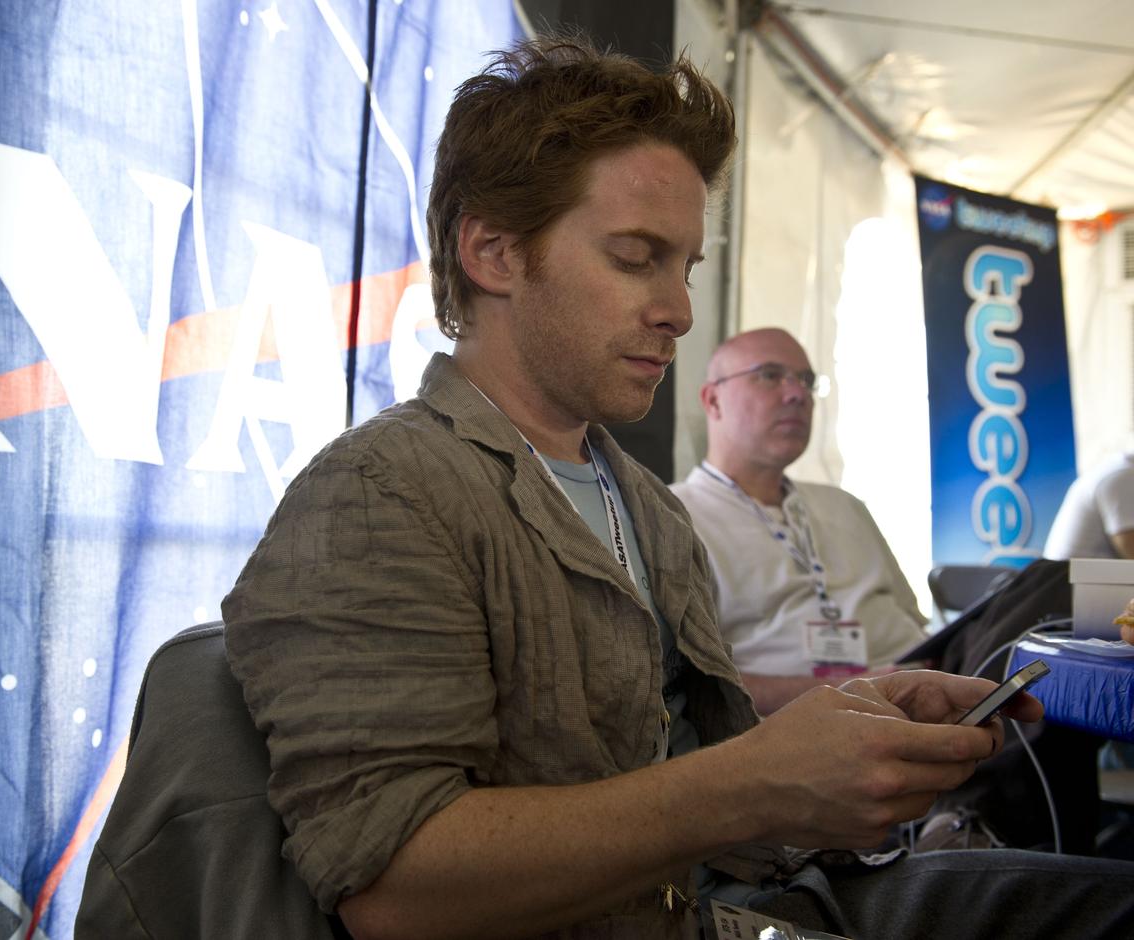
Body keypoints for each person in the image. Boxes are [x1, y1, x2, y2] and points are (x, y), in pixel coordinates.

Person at [222, 36, 1134, 939]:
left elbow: (680, 783)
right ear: (494, 253)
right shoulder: (380, 494)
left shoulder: (644, 507)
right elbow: (395, 891)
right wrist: (755, 784)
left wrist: (840, 739)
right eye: (633, 258)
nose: (680, 310)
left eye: (686, 265)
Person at [669, 327, 927, 714]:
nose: (797, 394)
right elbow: (696, 685)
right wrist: (856, 689)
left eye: (806, 381)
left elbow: (913, 622)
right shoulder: (674, 515)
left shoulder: (844, 506)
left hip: (928, 698)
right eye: (770, 376)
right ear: (713, 400)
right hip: (815, 732)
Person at [1044, 448, 1134, 559]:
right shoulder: (1125, 476)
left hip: (1084, 572)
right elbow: (1130, 550)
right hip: (1069, 574)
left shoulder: (1120, 467)